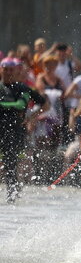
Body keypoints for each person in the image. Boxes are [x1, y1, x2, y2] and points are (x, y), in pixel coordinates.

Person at [0, 57, 48, 203]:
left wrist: (32, 117)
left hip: (14, 132)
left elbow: (43, 105)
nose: (8, 72)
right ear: (1, 70)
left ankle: (12, 199)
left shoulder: (22, 88)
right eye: (5, 69)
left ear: (16, 71)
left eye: (10, 70)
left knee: (10, 165)